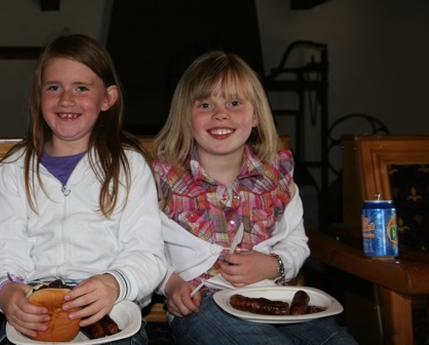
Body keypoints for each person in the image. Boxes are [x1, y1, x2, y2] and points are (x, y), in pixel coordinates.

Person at [151, 51, 357, 344]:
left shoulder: (278, 177)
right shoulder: (161, 180)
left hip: (274, 298)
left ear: (256, 115)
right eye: (205, 104)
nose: (220, 114)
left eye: (234, 103)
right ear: (186, 116)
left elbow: (296, 243)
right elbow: (144, 248)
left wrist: (275, 265)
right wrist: (170, 285)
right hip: (201, 304)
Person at [0, 33, 166, 344]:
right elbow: (2, 252)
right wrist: (6, 291)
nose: (66, 100)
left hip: (110, 307)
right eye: (54, 88)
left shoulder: (129, 165)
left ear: (107, 98)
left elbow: (147, 253)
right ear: (39, 96)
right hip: (37, 306)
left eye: (81, 88)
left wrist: (114, 283)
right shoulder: (15, 168)